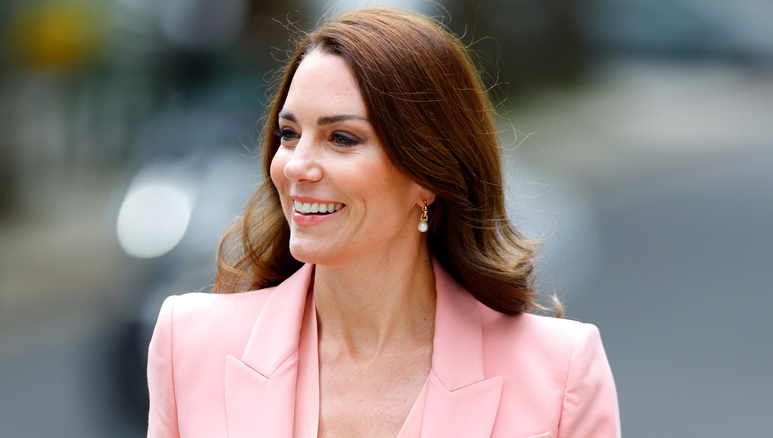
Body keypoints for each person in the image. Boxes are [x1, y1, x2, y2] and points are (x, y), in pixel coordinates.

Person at [146, 7, 620, 438]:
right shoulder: (187, 343)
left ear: (428, 173)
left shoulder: (560, 373)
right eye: (289, 134)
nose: (295, 166)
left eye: (342, 138)